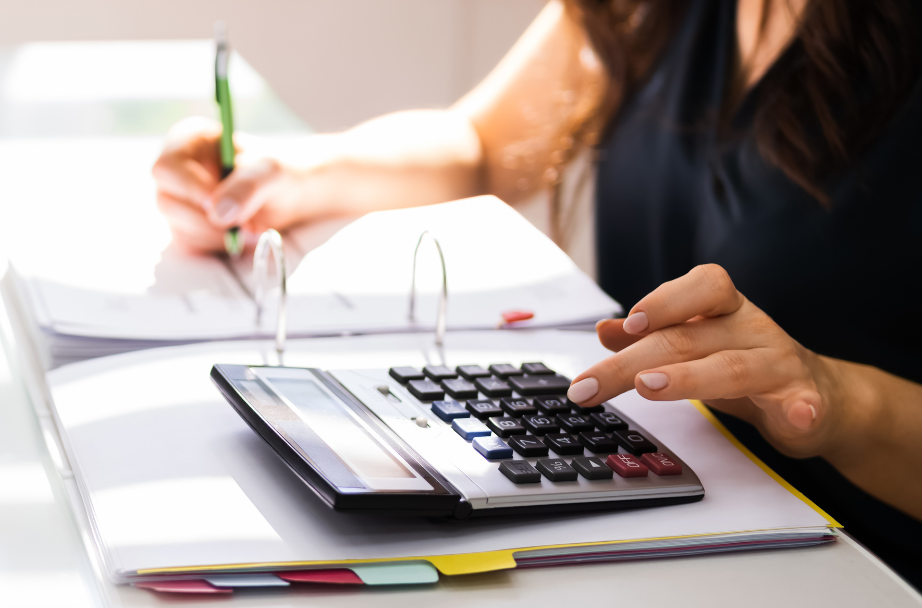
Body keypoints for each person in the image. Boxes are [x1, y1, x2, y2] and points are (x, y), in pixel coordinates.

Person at [152, 0, 922, 586]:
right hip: (644, 527)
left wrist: (838, 403)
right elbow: (486, 143)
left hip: (855, 569)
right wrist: (296, 177)